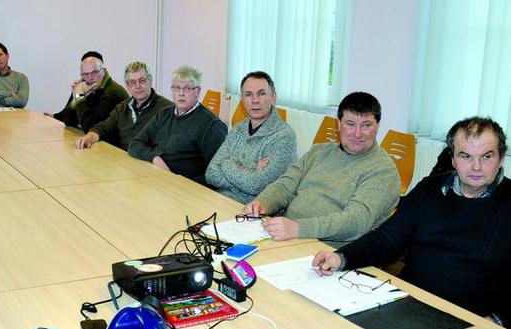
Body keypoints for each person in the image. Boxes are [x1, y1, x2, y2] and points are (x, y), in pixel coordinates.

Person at [312, 116, 511, 326]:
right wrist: (342, 257)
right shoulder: (429, 190)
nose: (476, 166)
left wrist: (496, 320)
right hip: (409, 304)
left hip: (471, 320)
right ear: (453, 159)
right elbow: (387, 238)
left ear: (500, 159)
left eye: (487, 157)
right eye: (466, 156)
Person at [244, 92, 400, 245]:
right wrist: (263, 202)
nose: (357, 133)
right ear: (339, 124)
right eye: (350, 124)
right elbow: (285, 185)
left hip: (328, 253)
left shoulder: (383, 171)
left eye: (366, 125)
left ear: (377, 126)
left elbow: (356, 222)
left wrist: (298, 228)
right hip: (287, 236)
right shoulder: (318, 152)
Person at [205, 71, 297, 203]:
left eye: (261, 93)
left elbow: (256, 186)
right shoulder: (238, 129)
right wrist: (250, 172)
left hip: (255, 214)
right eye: (248, 94)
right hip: (222, 201)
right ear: (242, 100)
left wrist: (227, 164)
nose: (255, 100)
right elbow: (211, 174)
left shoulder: (284, 136)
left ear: (273, 97)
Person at [127, 65, 227, 185]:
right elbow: (135, 144)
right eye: (176, 88)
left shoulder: (212, 125)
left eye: (187, 89)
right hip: (156, 179)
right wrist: (154, 158)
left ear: (198, 91)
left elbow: (215, 174)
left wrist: (179, 183)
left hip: (185, 189)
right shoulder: (164, 114)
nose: (181, 93)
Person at [74, 61, 173, 150]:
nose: (137, 86)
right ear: (127, 85)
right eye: (132, 82)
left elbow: (168, 147)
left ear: (150, 81)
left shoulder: (167, 109)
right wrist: (89, 137)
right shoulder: (123, 107)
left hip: (147, 164)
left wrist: (79, 96)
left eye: (142, 81)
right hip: (124, 161)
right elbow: (103, 128)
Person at [52, 53, 129, 133]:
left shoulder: (112, 93)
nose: (90, 78)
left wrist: (79, 96)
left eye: (94, 72)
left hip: (114, 144)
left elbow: (90, 128)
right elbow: (68, 120)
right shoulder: (86, 86)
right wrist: (76, 95)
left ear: (104, 71)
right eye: (85, 74)